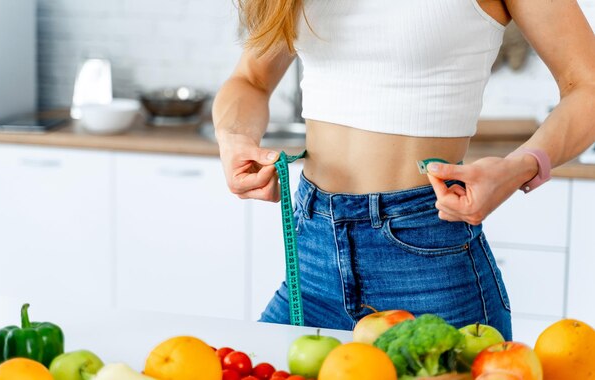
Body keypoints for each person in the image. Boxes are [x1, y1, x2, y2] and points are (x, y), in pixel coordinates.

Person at [212, 0, 595, 339]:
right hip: (312, 250)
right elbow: (251, 79)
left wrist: (519, 167)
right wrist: (233, 139)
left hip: (425, 252)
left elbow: (587, 87)